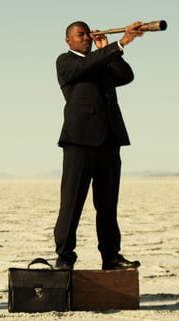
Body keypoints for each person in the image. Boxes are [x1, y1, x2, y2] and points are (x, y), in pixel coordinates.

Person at [52, 20, 146, 271]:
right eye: (80, 35)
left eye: (87, 35)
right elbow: (84, 66)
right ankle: (64, 257)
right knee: (72, 203)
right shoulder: (66, 61)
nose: (85, 38)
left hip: (109, 141)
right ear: (68, 40)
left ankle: (111, 256)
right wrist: (119, 44)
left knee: (107, 205)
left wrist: (110, 50)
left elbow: (126, 76)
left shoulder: (101, 61)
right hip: (79, 141)